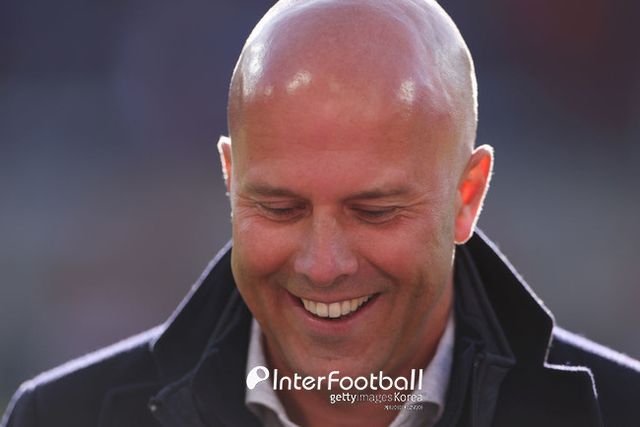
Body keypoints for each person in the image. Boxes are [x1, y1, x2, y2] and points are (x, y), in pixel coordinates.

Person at [2, 0, 639, 426]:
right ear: (230, 181)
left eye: (374, 211)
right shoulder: (61, 419)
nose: (323, 265)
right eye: (279, 208)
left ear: (466, 197)